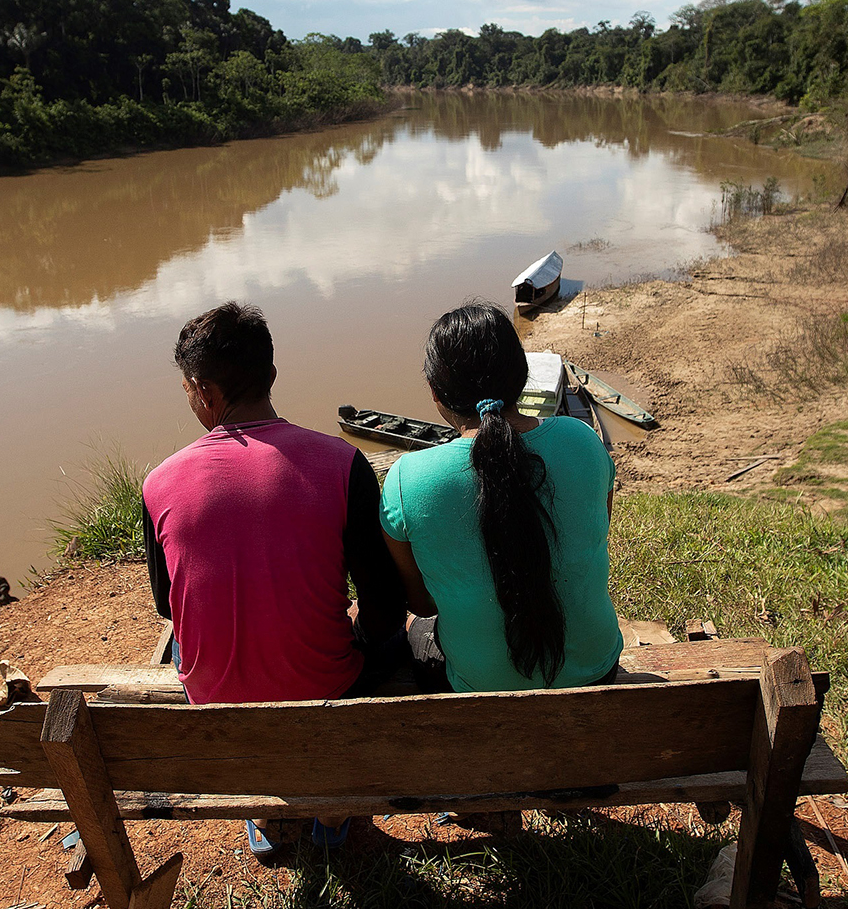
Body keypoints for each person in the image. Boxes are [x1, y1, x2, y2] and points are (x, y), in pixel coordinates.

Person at [141, 301, 406, 859]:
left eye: (187, 390)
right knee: (376, 643)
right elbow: (383, 600)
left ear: (204, 392)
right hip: (330, 690)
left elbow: (169, 607)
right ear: (273, 376)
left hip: (217, 705)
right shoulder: (342, 462)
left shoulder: (160, 483)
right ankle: (333, 807)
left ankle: (265, 806)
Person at [380, 302, 624, 696]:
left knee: (420, 629)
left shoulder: (409, 480)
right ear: (522, 376)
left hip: (479, 687)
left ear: (435, 392)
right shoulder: (584, 442)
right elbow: (597, 533)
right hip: (597, 670)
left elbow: (422, 604)